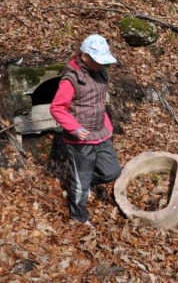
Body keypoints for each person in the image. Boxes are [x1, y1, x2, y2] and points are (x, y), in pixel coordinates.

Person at [50, 34, 122, 228]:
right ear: (84, 56)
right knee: (81, 181)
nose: (101, 65)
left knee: (112, 171)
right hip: (80, 140)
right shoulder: (71, 79)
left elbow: (98, 102)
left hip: (100, 133)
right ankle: (78, 217)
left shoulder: (100, 72)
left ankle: (83, 185)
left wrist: (106, 124)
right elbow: (57, 108)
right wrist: (75, 128)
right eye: (97, 61)